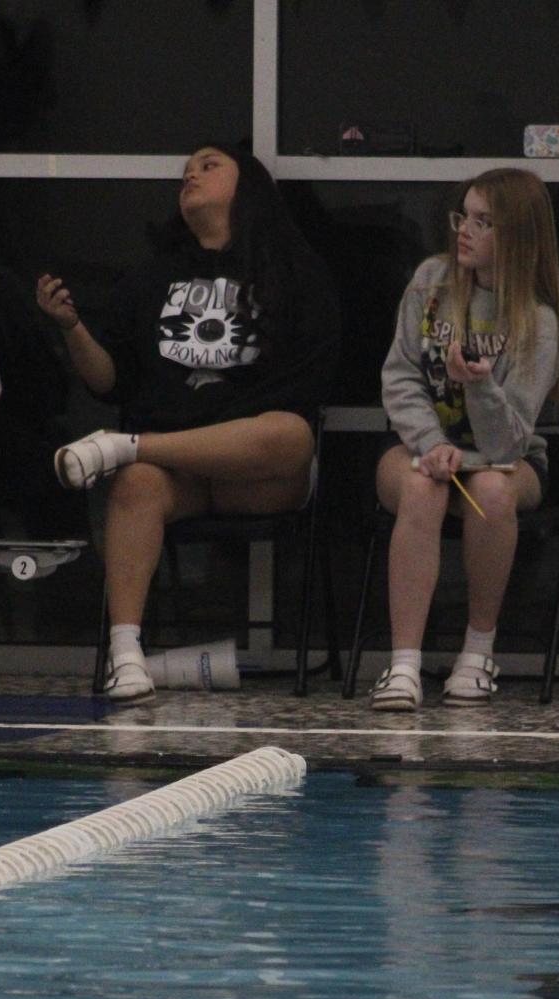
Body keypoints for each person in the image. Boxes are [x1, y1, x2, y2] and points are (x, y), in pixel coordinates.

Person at [36, 143, 340, 703]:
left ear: (247, 185)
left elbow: (309, 387)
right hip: (176, 476)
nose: (190, 176)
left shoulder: (292, 270)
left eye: (208, 165)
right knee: (136, 482)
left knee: (293, 436)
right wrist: (72, 327)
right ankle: (126, 655)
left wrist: (153, 444)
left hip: (257, 472)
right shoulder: (155, 275)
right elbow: (110, 381)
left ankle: (127, 446)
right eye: (185, 172)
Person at [368, 168, 559, 710]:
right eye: (464, 216)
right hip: (422, 446)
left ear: (518, 237)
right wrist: (431, 443)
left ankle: (477, 652)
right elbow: (401, 375)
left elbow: (508, 446)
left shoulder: (537, 321)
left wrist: (478, 388)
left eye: (483, 222)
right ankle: (404, 665)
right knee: (421, 488)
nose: (465, 230)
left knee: (491, 493)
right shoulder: (431, 281)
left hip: (506, 460)